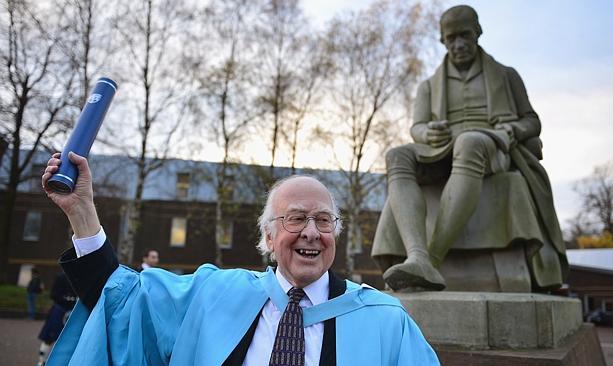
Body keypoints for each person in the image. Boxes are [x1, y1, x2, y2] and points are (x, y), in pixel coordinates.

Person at [41, 151, 439, 365]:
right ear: (268, 235)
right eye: (297, 218)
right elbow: (119, 299)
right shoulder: (211, 295)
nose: (312, 232)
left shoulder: (385, 321)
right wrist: (81, 212)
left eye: (324, 220)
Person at [374, 5, 566, 290]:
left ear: (478, 33)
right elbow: (417, 127)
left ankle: (432, 259)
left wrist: (511, 130)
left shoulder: (506, 75)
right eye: (451, 38)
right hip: (441, 149)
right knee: (397, 155)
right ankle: (417, 256)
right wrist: (427, 131)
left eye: (464, 35)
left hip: (494, 146)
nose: (459, 44)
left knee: (469, 141)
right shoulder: (429, 86)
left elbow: (532, 121)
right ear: (443, 40)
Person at [37, 272, 77, 366]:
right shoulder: (61, 276)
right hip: (60, 310)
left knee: (70, 339)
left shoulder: (79, 276)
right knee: (49, 337)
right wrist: (67, 300)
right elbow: (53, 294)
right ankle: (41, 361)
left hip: (73, 312)